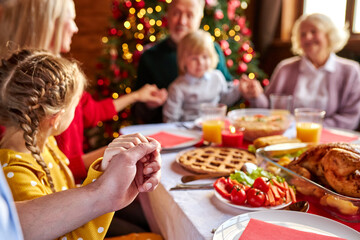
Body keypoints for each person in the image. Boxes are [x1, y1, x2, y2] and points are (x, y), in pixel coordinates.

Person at [0, 49, 162, 240]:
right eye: (76, 106)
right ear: (56, 118)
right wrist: (104, 192)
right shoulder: (16, 174)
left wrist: (104, 169)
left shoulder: (45, 142)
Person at [0, 0, 165, 183]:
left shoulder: (59, 77)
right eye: (70, 19)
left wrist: (137, 96)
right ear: (47, 24)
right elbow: (57, 171)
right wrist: (111, 154)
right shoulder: (33, 90)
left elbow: (91, 111)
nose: (75, 28)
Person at [240, 13, 360, 130]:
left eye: (313, 31)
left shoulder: (350, 71)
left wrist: (311, 127)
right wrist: (256, 95)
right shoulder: (285, 68)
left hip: (331, 139)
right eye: (303, 34)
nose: (307, 37)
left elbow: (350, 118)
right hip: (288, 137)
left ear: (329, 35)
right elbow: (269, 109)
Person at [133, 0, 233, 123]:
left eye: (190, 15)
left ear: (199, 18)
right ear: (168, 15)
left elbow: (228, 95)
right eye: (176, 13)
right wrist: (148, 105)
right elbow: (137, 111)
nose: (182, 21)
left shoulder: (212, 50)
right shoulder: (151, 57)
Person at [163, 30, 241, 122]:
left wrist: (239, 89)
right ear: (183, 60)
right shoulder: (177, 88)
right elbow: (170, 120)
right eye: (194, 58)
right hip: (187, 130)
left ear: (212, 57)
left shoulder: (217, 77)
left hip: (214, 126)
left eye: (205, 57)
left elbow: (225, 100)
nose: (200, 62)